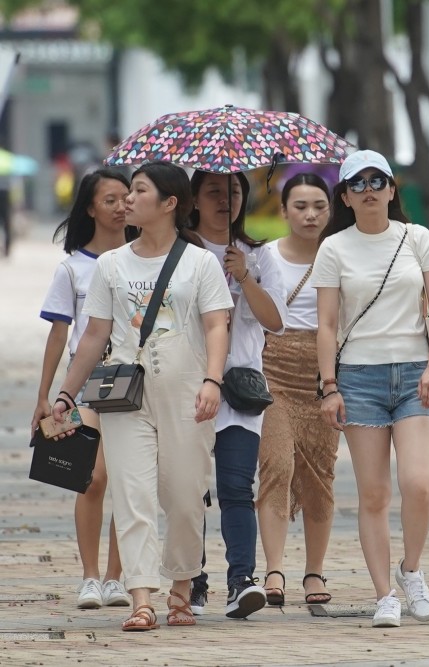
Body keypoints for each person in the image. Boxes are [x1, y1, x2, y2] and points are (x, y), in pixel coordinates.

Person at [50, 161, 233, 631]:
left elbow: (217, 325)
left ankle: (180, 587)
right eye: (128, 191)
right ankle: (142, 599)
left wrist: (213, 381)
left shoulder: (200, 262)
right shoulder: (111, 265)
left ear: (169, 203)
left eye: (139, 191)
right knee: (132, 494)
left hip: (188, 394)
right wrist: (67, 394)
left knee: (186, 497)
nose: (127, 200)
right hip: (124, 395)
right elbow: (93, 335)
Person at [311, 150, 429, 628]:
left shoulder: (418, 239)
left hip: (416, 374)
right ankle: (384, 594)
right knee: (373, 493)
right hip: (359, 377)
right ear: (346, 197)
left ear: (393, 190)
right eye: (358, 183)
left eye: (378, 180)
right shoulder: (334, 249)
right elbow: (326, 324)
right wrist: (329, 386)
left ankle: (412, 570)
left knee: (418, 483)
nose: (369, 189)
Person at [32, 168, 137, 609]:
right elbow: (60, 334)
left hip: (135, 378)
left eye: (125, 198)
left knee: (129, 482)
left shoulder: (144, 258)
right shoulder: (72, 267)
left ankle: (117, 576)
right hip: (88, 379)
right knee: (92, 477)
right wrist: (47, 395)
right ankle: (91, 577)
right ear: (90, 207)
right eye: (109, 199)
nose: (119, 207)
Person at [187, 170, 287, 619]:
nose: (225, 200)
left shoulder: (260, 256)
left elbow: (275, 321)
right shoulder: (178, 254)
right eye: (213, 192)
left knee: (235, 487)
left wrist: (245, 277)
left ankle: (241, 581)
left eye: (233, 192)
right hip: (187, 386)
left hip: (241, 391)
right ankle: (192, 576)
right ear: (192, 200)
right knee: (187, 489)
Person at [256, 172, 339, 607]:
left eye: (319, 206)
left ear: (330, 209)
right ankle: (273, 569)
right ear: (284, 210)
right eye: (301, 206)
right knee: (275, 464)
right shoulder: (265, 257)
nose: (310, 215)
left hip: (325, 375)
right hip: (274, 372)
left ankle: (314, 573)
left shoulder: (341, 253)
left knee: (320, 476)